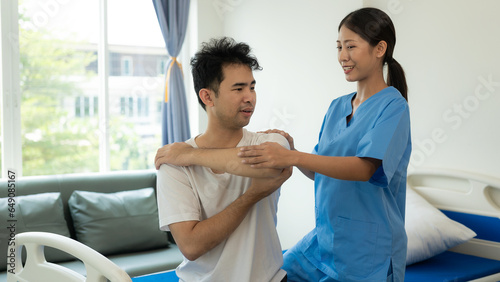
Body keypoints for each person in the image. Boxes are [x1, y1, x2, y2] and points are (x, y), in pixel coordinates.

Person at [237, 8, 412, 281]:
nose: (343, 56)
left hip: (366, 252)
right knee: (272, 274)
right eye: (339, 46)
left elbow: (364, 168)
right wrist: (291, 152)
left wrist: (293, 158)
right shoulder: (337, 107)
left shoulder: (394, 106)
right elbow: (320, 170)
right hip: (325, 240)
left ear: (380, 49)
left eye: (351, 46)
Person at [154, 37, 292, 282]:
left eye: (252, 86)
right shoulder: (173, 164)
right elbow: (191, 246)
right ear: (208, 97)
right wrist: (251, 196)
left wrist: (192, 155)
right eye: (238, 89)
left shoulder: (271, 142)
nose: (250, 97)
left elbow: (270, 169)